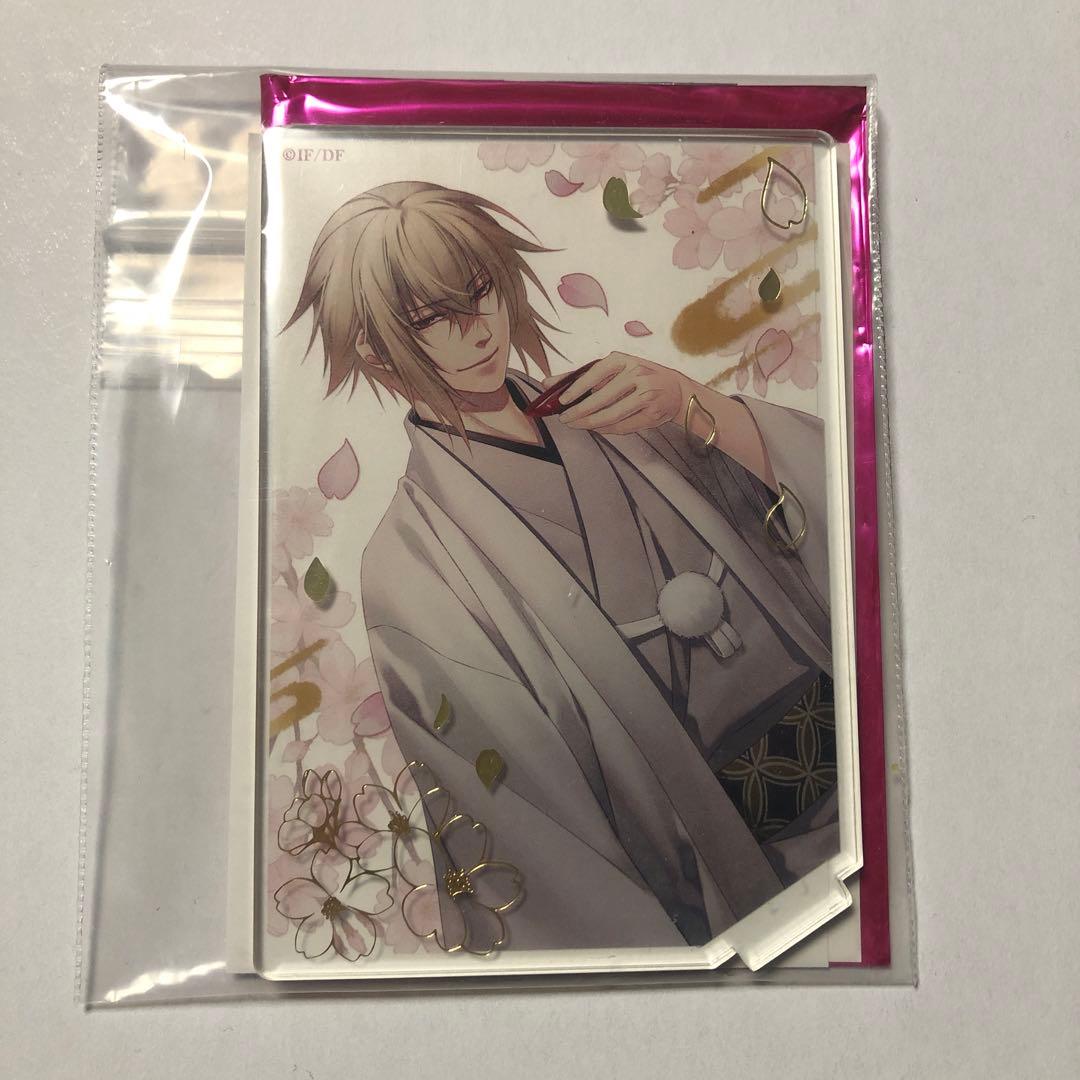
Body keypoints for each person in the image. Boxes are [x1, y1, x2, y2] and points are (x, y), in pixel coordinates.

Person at [286, 180, 839, 951]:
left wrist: (691, 403)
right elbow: (524, 827)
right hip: (714, 884)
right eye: (432, 319)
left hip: (855, 787)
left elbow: (840, 505)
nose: (476, 329)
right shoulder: (411, 570)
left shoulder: (632, 404)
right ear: (379, 355)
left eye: (480, 291)